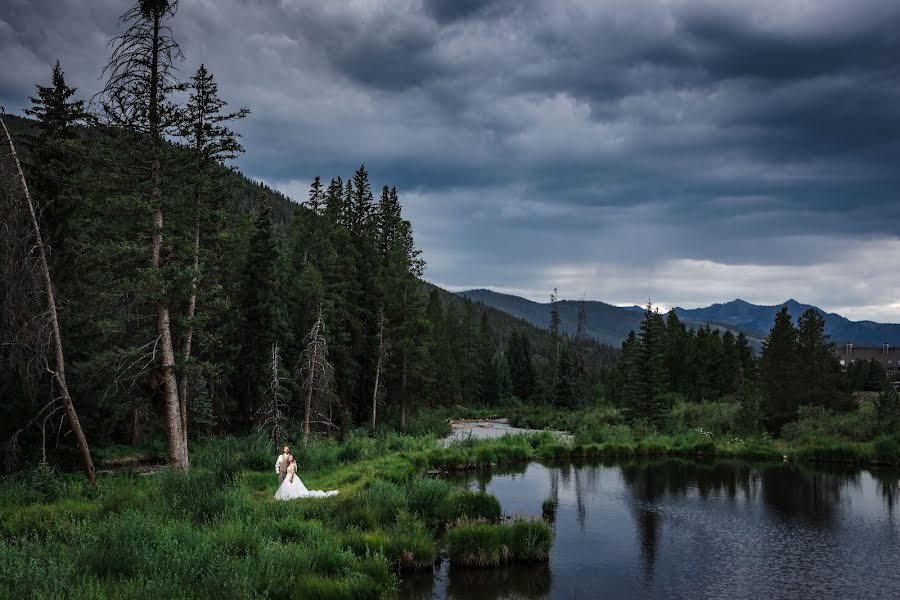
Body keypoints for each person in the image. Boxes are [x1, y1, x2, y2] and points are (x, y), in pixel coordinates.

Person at [273, 455, 339, 500]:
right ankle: (285, 495)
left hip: (291, 477)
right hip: (287, 477)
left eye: (291, 457)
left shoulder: (293, 464)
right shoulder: (288, 464)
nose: (290, 458)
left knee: (294, 488)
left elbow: (293, 472)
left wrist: (291, 479)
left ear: (293, 459)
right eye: (289, 457)